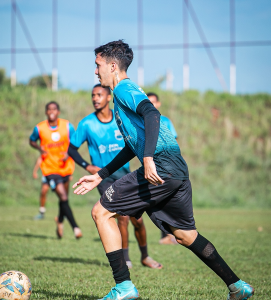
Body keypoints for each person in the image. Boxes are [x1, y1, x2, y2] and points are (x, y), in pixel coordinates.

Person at [73, 40, 254, 300]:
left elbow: (152, 114)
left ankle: (124, 288)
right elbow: (130, 146)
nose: (95, 71)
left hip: (161, 164)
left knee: (100, 213)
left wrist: (148, 158)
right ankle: (238, 287)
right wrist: (100, 174)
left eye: (98, 65)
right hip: (176, 167)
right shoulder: (120, 98)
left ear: (112, 66)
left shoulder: (124, 88)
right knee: (185, 234)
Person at [67, 83, 162, 269]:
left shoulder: (120, 120)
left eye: (99, 95)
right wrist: (87, 166)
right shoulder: (87, 124)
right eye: (93, 95)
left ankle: (145, 256)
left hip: (125, 175)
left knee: (138, 219)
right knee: (122, 216)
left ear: (109, 97)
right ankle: (126, 260)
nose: (95, 98)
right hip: (103, 178)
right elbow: (71, 148)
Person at [29, 101, 82, 239]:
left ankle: (59, 220)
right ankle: (75, 228)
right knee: (63, 196)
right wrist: (39, 148)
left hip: (65, 167)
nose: (51, 111)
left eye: (54, 109)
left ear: (58, 112)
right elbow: (32, 140)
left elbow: (76, 141)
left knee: (63, 199)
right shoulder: (39, 128)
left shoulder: (67, 126)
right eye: (49, 109)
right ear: (46, 112)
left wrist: (68, 153)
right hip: (49, 169)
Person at [147, 92, 178, 245]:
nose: (151, 105)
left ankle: (169, 234)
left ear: (158, 104)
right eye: (148, 102)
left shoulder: (166, 121)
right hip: (154, 165)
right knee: (159, 200)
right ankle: (166, 235)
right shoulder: (144, 121)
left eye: (153, 102)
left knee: (168, 199)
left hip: (169, 165)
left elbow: (174, 141)